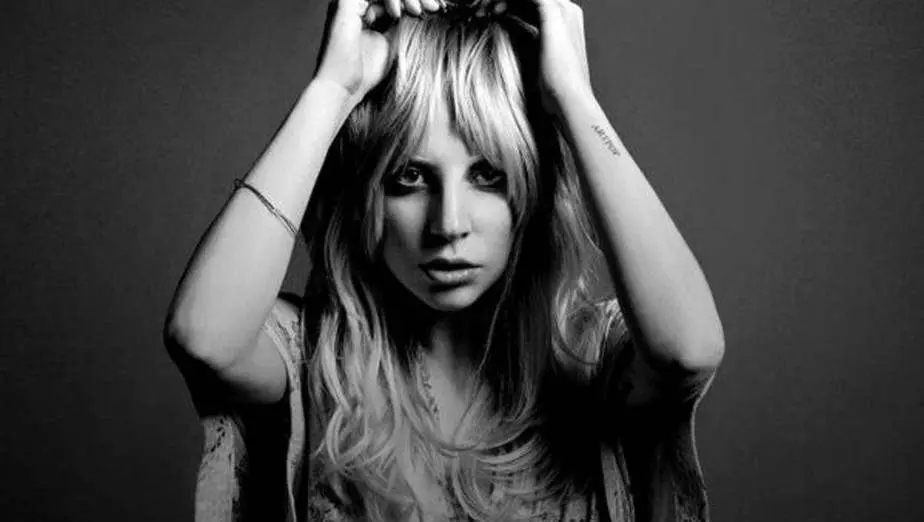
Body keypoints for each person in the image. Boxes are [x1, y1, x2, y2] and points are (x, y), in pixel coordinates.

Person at [163, 0, 725, 520]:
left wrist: (576, 99)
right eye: (409, 176)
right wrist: (331, 91)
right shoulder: (312, 359)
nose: (449, 224)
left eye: (488, 175)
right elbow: (204, 341)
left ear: (534, 191)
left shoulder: (591, 360)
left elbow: (688, 353)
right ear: (365, 194)